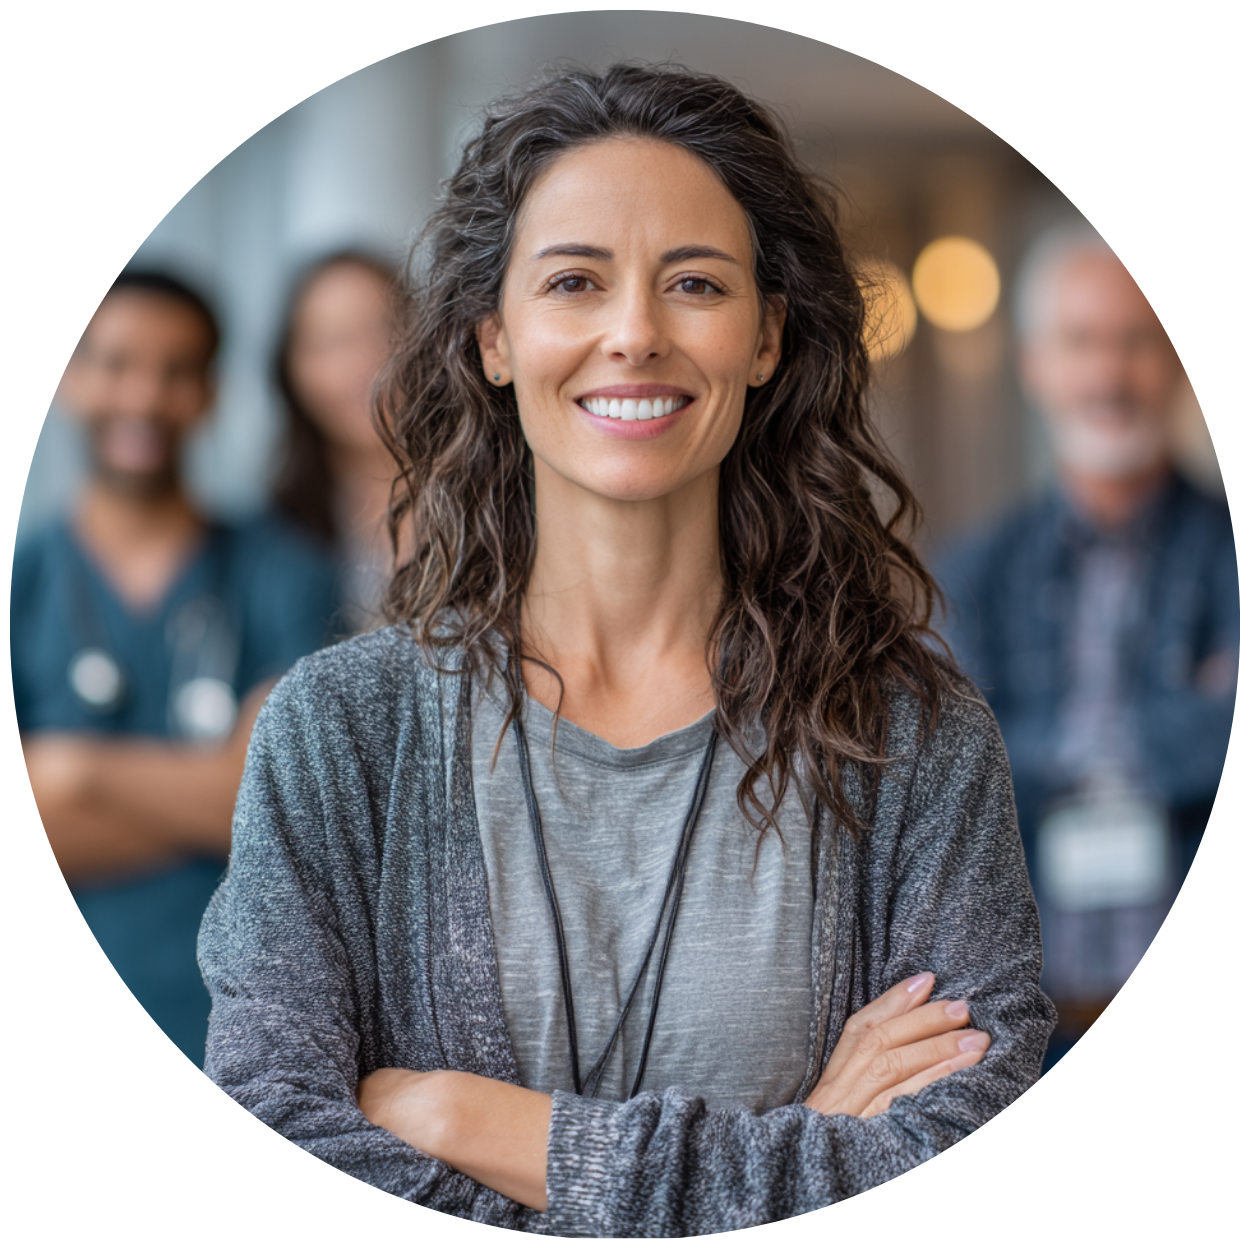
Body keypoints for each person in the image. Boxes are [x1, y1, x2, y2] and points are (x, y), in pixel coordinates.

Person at [198, 64, 1056, 1233]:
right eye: (574, 281)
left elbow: (960, 1122)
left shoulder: (910, 735)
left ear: (764, 336)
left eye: (694, 282)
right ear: (494, 338)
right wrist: (802, 1145)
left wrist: (483, 1125)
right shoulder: (339, 729)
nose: (635, 333)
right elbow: (272, 1111)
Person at [14, 269, 339, 1068]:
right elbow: (240, 806)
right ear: (72, 380)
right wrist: (203, 800)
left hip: (245, 1043)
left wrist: (68, 768)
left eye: (176, 371)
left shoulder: (286, 574)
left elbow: (280, 803)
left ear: (210, 393)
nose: (145, 397)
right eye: (117, 363)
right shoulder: (27, 584)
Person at [936, 224, 1237, 1071]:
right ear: (1036, 364)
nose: (1109, 373)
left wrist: (1036, 739)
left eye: (1135, 340)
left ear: (1174, 361)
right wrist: (1179, 722)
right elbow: (956, 767)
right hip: (1019, 1032)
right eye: (1081, 342)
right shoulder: (971, 571)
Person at [271, 249, 400, 634]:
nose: (364, 363)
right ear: (290, 370)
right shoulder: (276, 532)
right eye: (332, 341)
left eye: (386, 330)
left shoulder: (495, 497)